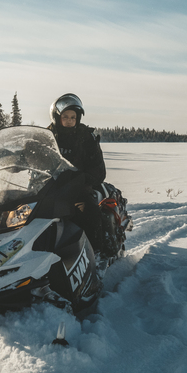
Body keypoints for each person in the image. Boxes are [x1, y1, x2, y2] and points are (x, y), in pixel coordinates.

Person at [48, 93, 106, 253]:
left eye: (73, 117)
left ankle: (95, 252)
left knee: (88, 211)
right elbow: (33, 155)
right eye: (65, 117)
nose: (69, 120)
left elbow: (98, 168)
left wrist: (83, 178)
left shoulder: (86, 137)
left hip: (78, 189)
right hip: (49, 188)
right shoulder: (48, 137)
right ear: (57, 117)